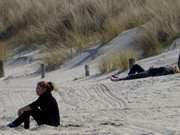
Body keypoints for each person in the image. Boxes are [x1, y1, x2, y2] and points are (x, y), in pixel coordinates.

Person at [111, 64, 180, 81]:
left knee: (134, 76)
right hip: (148, 71)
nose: (172, 66)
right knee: (136, 66)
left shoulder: (167, 71)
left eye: (174, 67)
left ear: (174, 70)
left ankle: (119, 79)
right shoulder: (167, 69)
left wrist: (152, 71)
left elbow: (158, 74)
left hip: (148, 74)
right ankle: (125, 77)